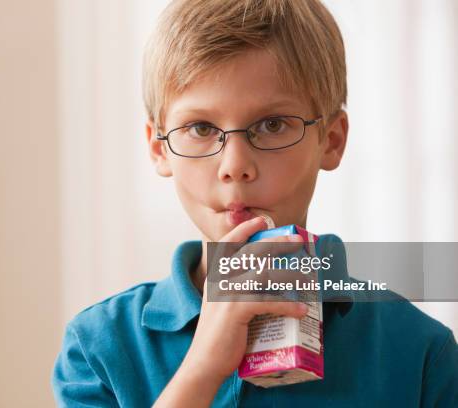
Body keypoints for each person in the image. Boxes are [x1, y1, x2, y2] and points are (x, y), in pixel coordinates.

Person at [52, 0, 458, 406]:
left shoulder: (419, 352)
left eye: (273, 124)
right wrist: (202, 368)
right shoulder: (99, 347)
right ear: (159, 150)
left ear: (331, 141)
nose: (235, 166)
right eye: (201, 127)